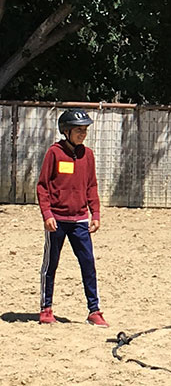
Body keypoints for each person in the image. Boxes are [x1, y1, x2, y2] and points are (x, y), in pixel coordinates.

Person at [36, 108, 108, 327]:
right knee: (51, 264)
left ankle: (94, 311)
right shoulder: (54, 153)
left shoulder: (88, 155)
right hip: (57, 221)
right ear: (66, 131)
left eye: (85, 130)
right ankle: (46, 309)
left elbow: (91, 187)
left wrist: (95, 213)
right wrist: (47, 214)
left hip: (79, 221)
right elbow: (42, 186)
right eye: (78, 130)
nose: (83, 134)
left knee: (88, 263)